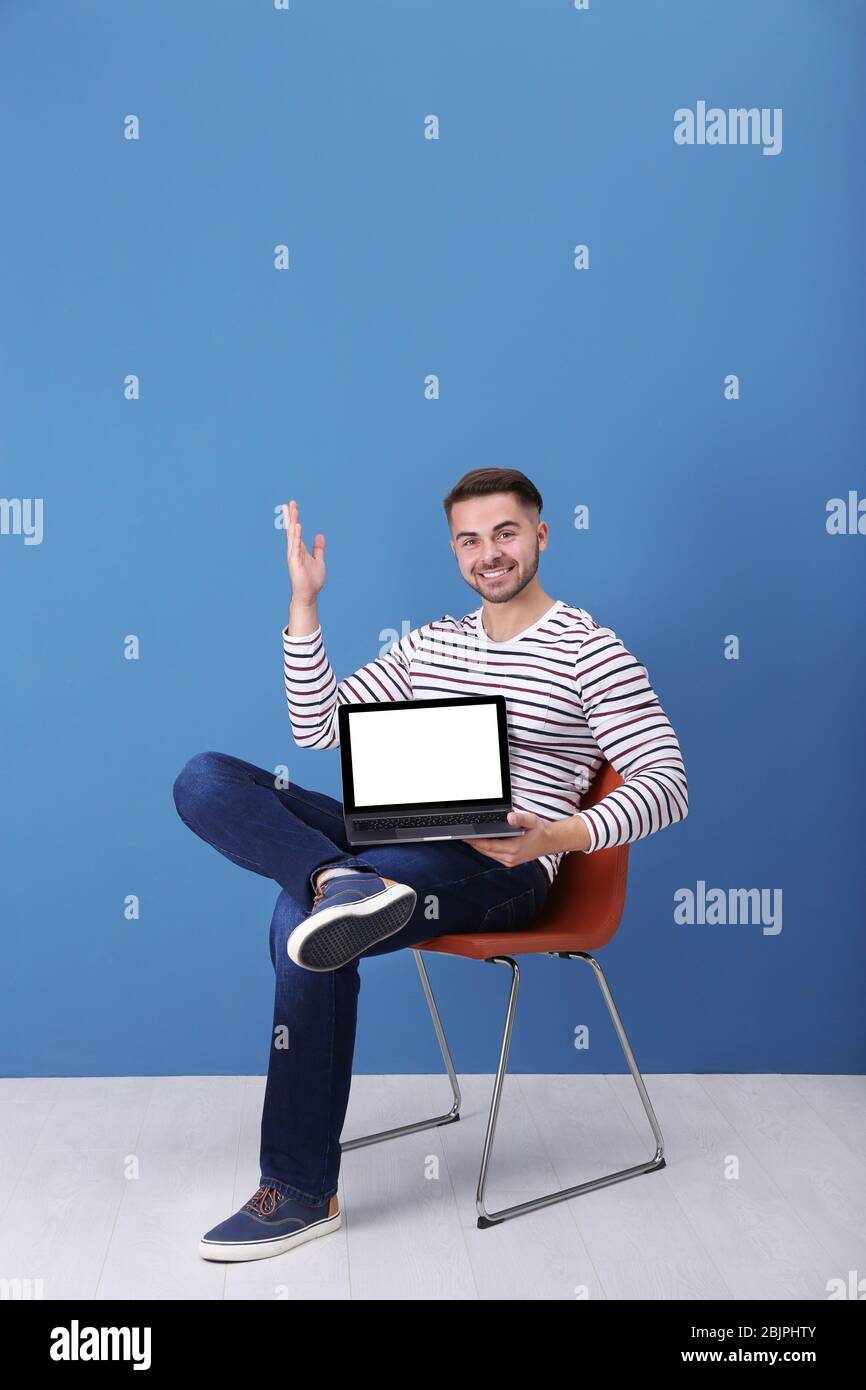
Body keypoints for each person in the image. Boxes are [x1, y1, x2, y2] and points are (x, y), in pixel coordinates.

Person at [172, 467, 689, 1261]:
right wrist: (305, 604)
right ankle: (336, 879)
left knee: (298, 921)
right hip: (392, 841)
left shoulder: (591, 648)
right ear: (455, 551)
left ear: (540, 536)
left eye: (506, 534)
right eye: (470, 540)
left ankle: (301, 1189)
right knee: (206, 778)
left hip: (504, 863)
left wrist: (558, 837)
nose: (490, 554)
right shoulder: (431, 643)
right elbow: (318, 729)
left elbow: (667, 785)